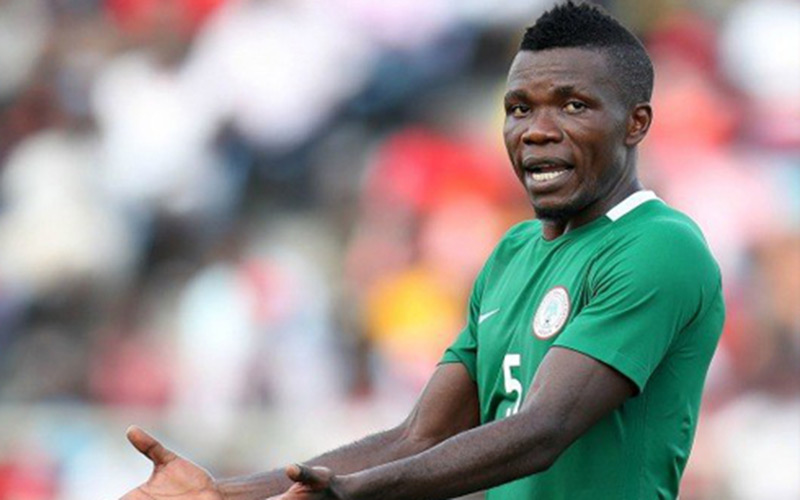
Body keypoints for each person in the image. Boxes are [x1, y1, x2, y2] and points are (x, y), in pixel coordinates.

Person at [120, 3, 724, 499]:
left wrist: (356, 493)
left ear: (635, 123)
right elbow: (420, 435)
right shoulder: (513, 253)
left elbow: (543, 429)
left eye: (573, 105)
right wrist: (223, 495)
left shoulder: (659, 245)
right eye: (519, 109)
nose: (537, 131)